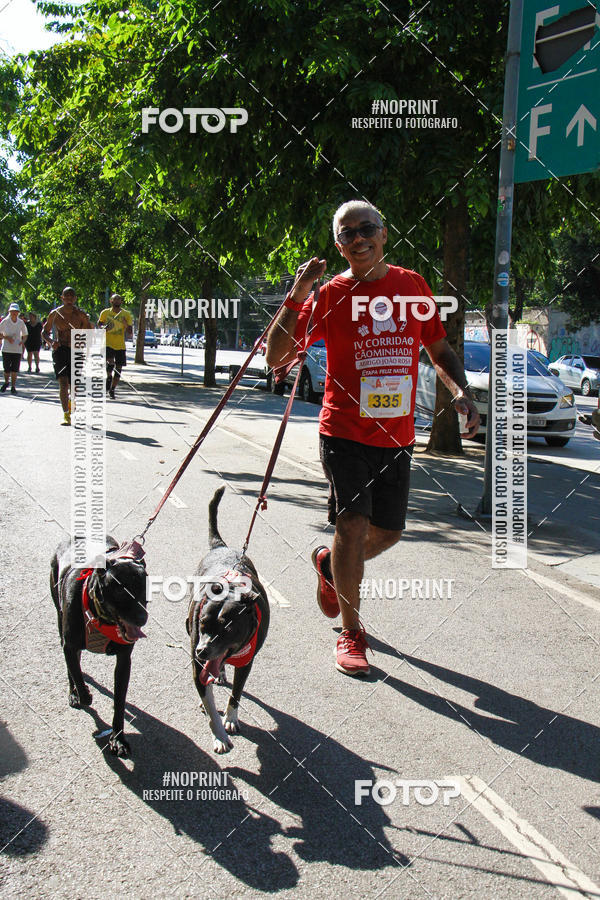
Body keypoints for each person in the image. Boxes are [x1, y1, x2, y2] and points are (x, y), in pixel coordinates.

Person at [266, 200, 480, 677]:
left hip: (396, 435)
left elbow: (439, 348)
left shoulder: (413, 286)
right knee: (352, 525)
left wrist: (461, 393)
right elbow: (276, 356)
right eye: (348, 234)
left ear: (384, 234)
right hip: (343, 431)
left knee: (389, 532)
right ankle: (351, 632)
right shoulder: (329, 295)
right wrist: (297, 293)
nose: (358, 238)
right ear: (339, 245)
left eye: (366, 229)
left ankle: (332, 569)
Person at [42, 286, 91, 425]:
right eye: (66, 297)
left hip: (76, 351)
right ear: (62, 298)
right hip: (60, 350)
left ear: (75, 298)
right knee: (63, 383)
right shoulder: (55, 314)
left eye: (71, 297)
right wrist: (51, 342)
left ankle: (71, 402)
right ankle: (66, 414)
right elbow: (44, 332)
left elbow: (88, 334)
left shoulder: (81, 315)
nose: (69, 299)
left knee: (74, 384)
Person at [98, 293, 133, 399]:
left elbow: (130, 332)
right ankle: (109, 377)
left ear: (121, 301)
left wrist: (125, 324)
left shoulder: (126, 314)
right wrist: (104, 327)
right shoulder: (105, 312)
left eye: (119, 299)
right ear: (111, 301)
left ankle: (112, 389)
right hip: (108, 343)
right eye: (115, 299)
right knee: (110, 362)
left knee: (119, 368)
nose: (117, 301)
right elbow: (99, 324)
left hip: (120, 345)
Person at [0, 303, 28, 394]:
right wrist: (7, 338)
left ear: (18, 312)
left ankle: (13, 386)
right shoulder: (5, 321)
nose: (14, 313)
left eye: (16, 311)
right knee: (6, 369)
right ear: (9, 312)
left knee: (15, 370)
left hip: (17, 349)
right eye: (12, 311)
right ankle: (6, 382)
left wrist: (22, 342)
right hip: (6, 349)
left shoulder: (20, 322)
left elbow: (25, 334)